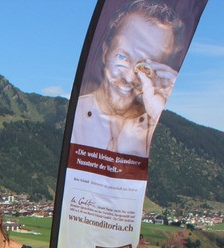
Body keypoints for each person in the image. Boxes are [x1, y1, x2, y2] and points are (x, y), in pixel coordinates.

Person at [72, 0, 183, 157]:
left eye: (145, 68)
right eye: (122, 57)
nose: (130, 77)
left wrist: (160, 113)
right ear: (105, 51)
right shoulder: (73, 117)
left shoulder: (161, 131)